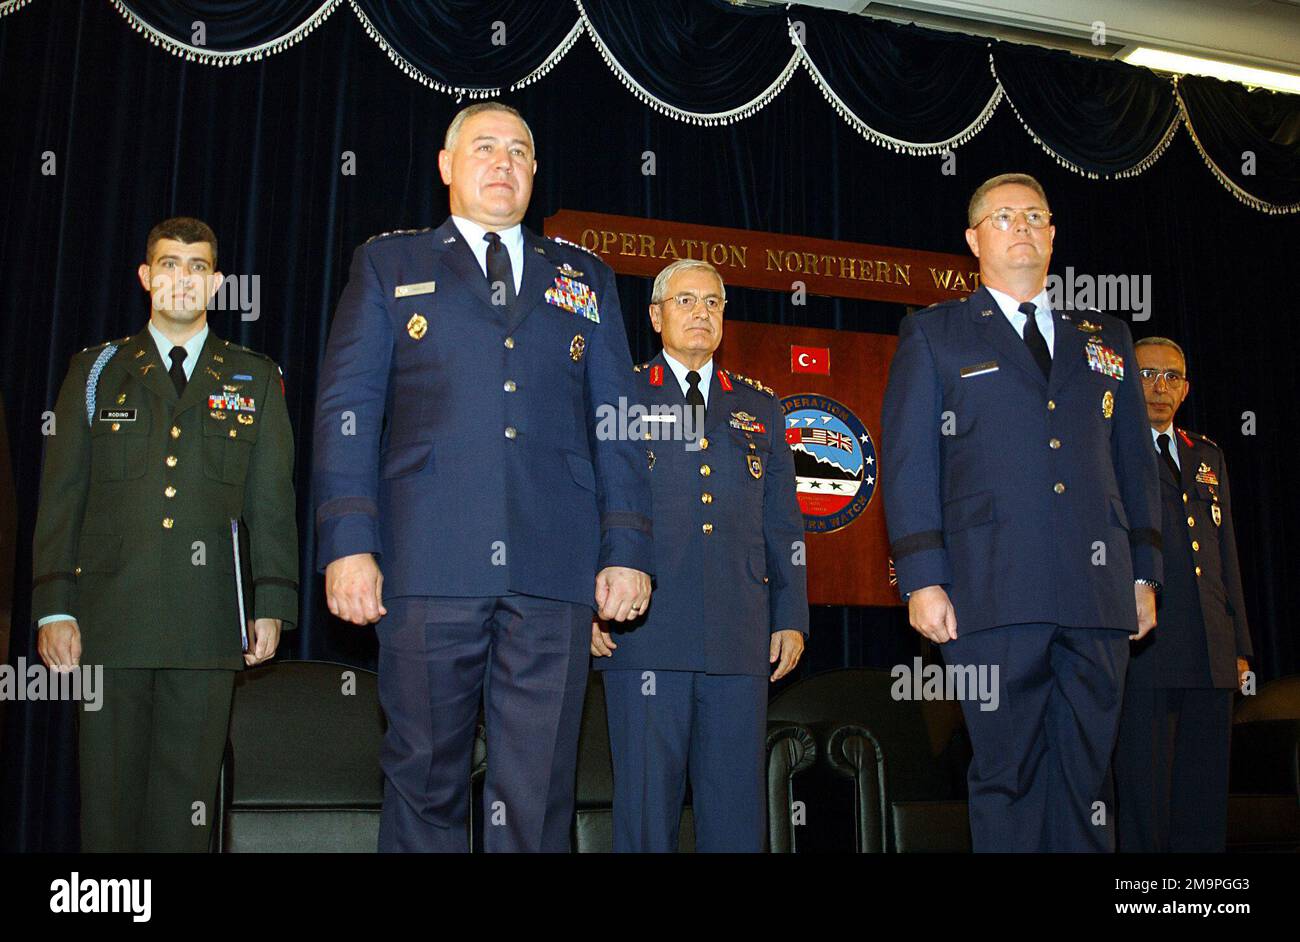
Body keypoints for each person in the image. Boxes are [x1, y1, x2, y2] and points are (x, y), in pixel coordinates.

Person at [314, 102, 653, 852]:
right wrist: (347, 542)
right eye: (485, 148)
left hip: (553, 566)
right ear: (446, 167)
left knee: (538, 790)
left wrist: (625, 547)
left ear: (535, 172)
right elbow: (349, 408)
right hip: (427, 559)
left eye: (519, 151)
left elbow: (619, 421)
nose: (503, 162)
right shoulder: (389, 264)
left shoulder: (585, 276)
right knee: (424, 776)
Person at [881, 173, 1162, 852]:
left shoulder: (1106, 336)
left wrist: (1145, 574)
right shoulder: (935, 334)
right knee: (1008, 773)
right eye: (1005, 217)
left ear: (1054, 233)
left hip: (1097, 593)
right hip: (991, 589)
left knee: (1089, 778)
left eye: (1036, 216)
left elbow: (1135, 463)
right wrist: (922, 577)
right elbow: (909, 460)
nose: (1024, 228)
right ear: (974, 239)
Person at [32, 216, 298, 851]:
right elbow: (62, 496)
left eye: (198, 267)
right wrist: (52, 608)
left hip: (207, 623)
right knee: (108, 811)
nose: (183, 279)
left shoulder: (254, 378)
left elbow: (271, 501)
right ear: (147, 278)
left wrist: (272, 603)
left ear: (217, 284)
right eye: (170, 266)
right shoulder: (96, 371)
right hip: (109, 620)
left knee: (186, 812)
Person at [591, 259, 808, 852]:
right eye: (685, 301)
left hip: (740, 634)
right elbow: (590, 502)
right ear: (656, 314)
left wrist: (790, 615)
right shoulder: (624, 393)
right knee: (645, 816)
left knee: (737, 816)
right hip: (644, 634)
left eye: (713, 303)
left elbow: (783, 522)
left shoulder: (760, 407)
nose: (701, 313)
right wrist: (588, 605)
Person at [1114, 337, 1252, 852]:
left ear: (1186, 388)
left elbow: (1226, 555)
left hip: (1210, 650)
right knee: (1145, 797)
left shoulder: (1206, 454)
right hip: (1148, 648)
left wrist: (1238, 644)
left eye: (1172, 377)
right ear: (1127, 379)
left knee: (1203, 799)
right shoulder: (1110, 449)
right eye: (1148, 374)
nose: (1159, 387)